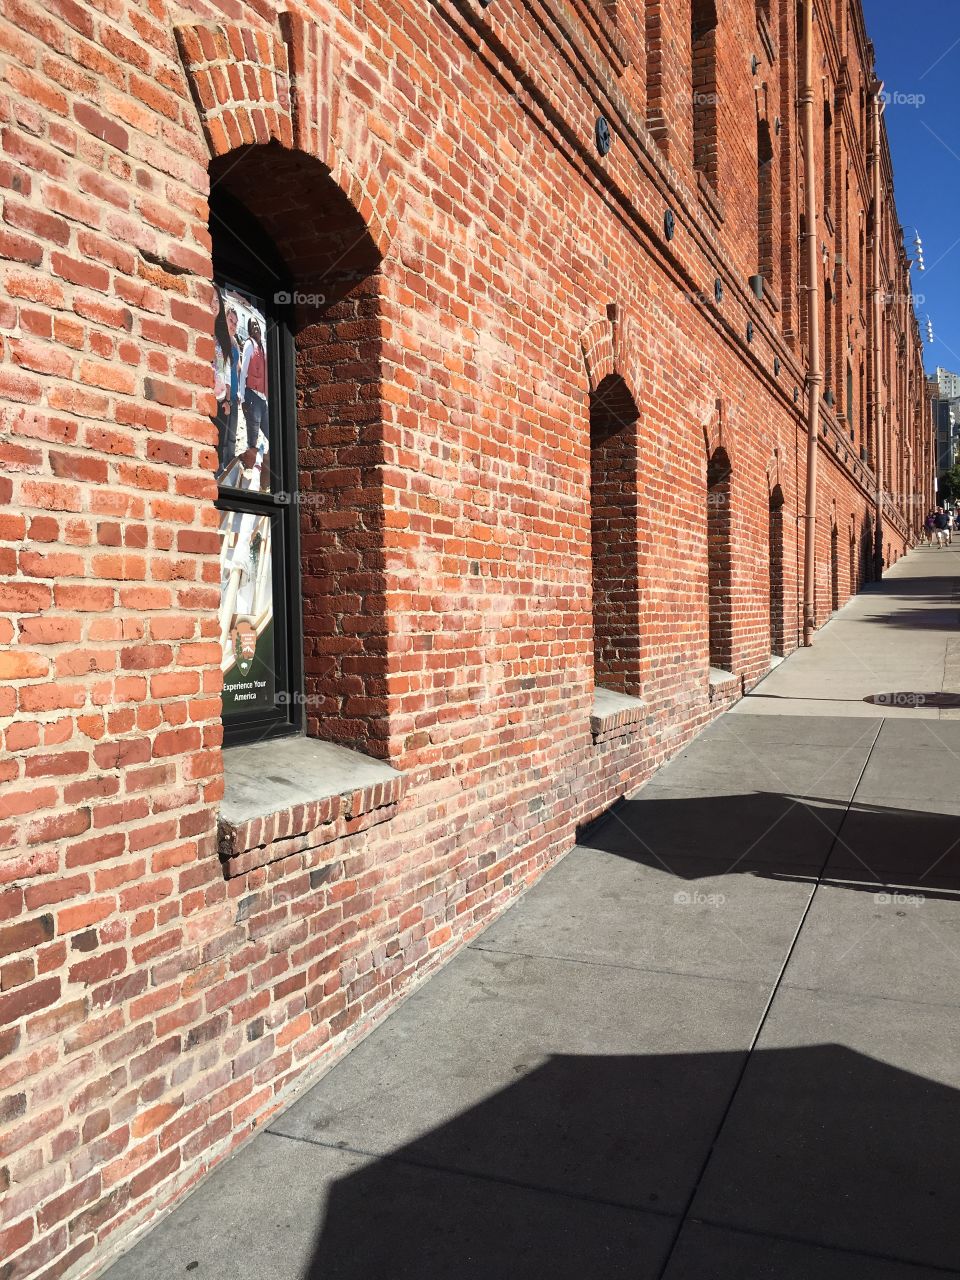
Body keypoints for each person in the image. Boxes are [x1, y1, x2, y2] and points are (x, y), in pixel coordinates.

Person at [213, 294, 240, 473]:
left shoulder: (234, 343)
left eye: (236, 323)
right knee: (217, 434)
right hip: (217, 394)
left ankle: (222, 467)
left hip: (227, 395)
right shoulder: (218, 337)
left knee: (227, 435)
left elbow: (233, 370)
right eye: (231, 320)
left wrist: (231, 396)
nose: (234, 325)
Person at [238, 316, 268, 470]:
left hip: (262, 399)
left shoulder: (263, 347)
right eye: (252, 325)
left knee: (270, 432)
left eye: (257, 324)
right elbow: (243, 372)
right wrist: (242, 397)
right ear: (249, 330)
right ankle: (248, 468)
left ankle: (262, 465)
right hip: (252, 396)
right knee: (252, 438)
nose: (255, 327)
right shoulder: (249, 344)